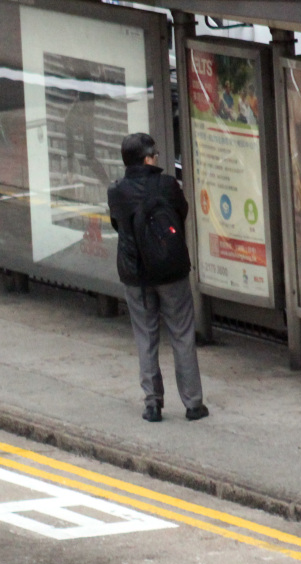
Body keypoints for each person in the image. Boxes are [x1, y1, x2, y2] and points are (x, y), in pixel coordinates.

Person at [108, 133, 208, 423]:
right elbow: (182, 212)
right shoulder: (167, 185)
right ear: (148, 158)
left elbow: (118, 225)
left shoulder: (116, 192)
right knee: (182, 333)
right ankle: (193, 404)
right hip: (170, 271)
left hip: (135, 273)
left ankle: (152, 404)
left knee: (146, 336)